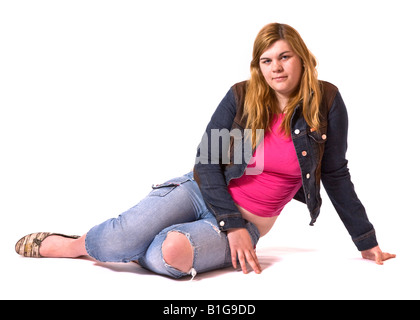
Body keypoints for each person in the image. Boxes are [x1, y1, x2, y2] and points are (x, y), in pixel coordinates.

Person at [15, 23, 395, 279]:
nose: (276, 68)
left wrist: (366, 241)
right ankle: (78, 244)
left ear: (301, 57)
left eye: (284, 56)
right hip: (201, 191)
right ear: (257, 66)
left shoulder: (325, 102)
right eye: (267, 60)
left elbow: (334, 174)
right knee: (113, 242)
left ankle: (140, 244)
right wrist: (228, 221)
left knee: (172, 255)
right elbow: (207, 161)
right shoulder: (243, 98)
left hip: (250, 222)